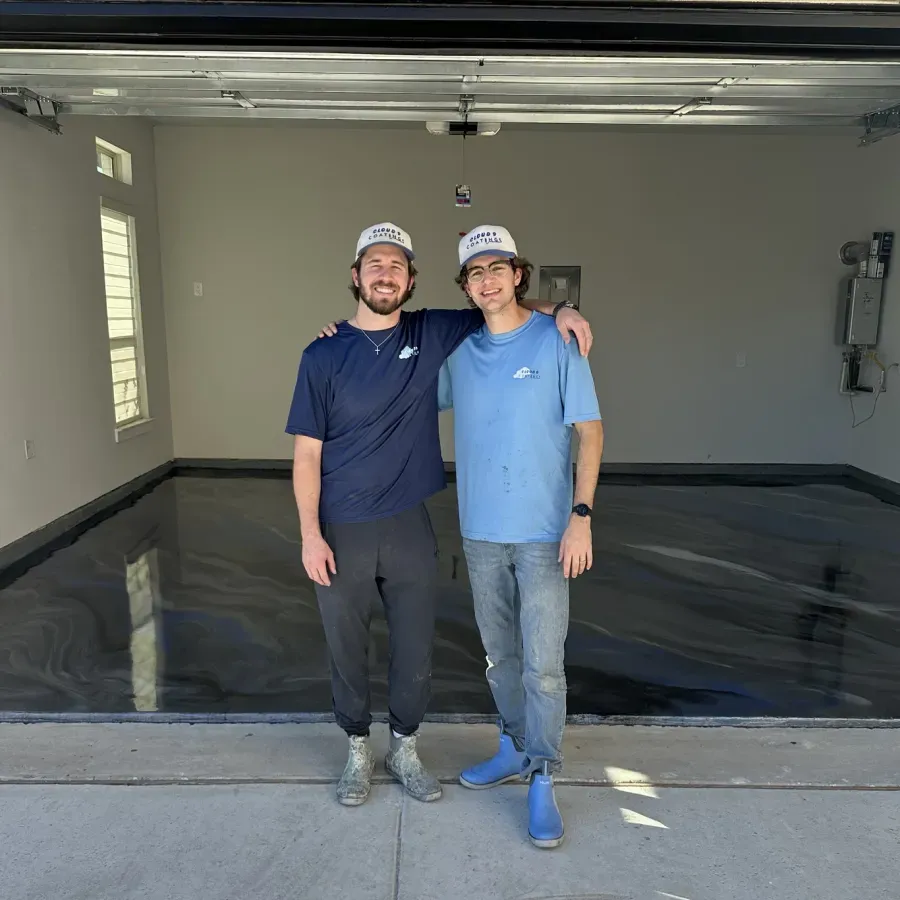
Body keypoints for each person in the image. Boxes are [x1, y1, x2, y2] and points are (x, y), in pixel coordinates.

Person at [287, 222, 592, 808]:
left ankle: (405, 747)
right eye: (374, 264)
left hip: (409, 523)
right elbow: (306, 452)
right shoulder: (322, 354)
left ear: (410, 280)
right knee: (346, 646)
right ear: (355, 276)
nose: (385, 274)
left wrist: (564, 309)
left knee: (415, 648)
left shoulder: (432, 331)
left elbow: (503, 305)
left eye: (396, 266)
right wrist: (308, 534)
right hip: (341, 527)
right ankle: (357, 748)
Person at [437, 225, 604, 849]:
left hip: (542, 534)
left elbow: (589, 432)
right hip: (481, 532)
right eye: (474, 272)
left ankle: (543, 773)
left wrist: (580, 515)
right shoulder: (459, 350)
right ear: (467, 285)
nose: (487, 280)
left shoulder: (559, 340)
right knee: (500, 658)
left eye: (496, 268)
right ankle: (512, 747)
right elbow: (403, 393)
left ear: (517, 274)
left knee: (544, 667)